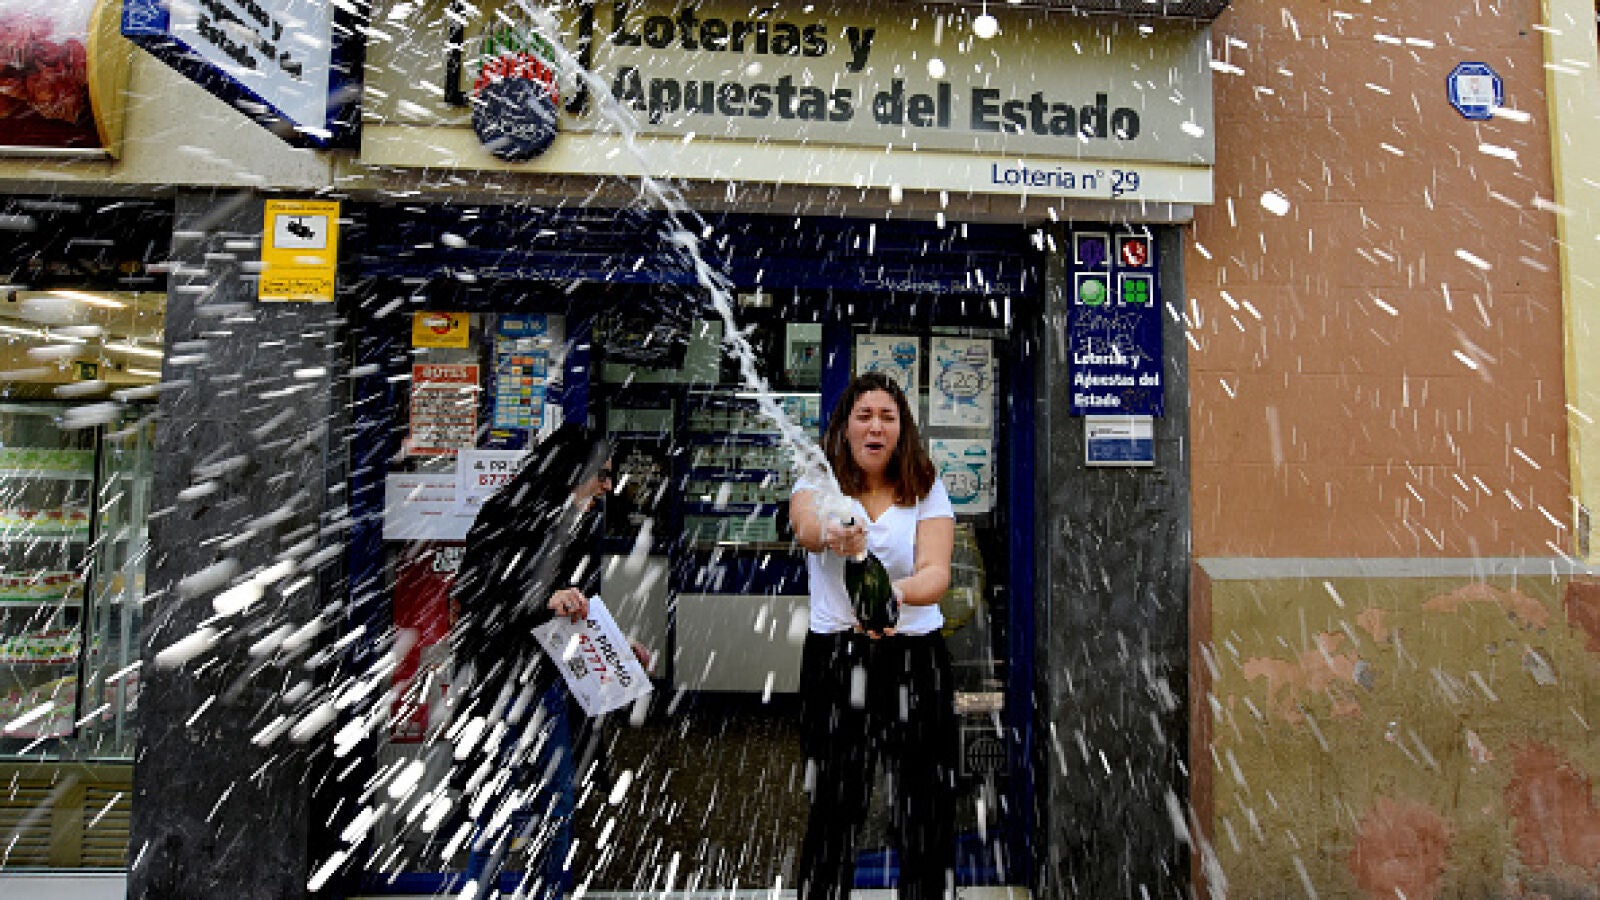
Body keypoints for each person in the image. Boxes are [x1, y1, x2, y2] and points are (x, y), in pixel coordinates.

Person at [788, 371, 959, 900]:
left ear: (902, 429)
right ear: (845, 427)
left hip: (915, 659)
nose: (876, 426)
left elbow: (937, 572)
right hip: (838, 661)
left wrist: (896, 595)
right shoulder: (819, 480)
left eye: (888, 416)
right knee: (835, 806)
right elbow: (805, 528)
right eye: (864, 416)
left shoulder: (925, 485)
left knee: (925, 805)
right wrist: (834, 533)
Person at [449, 422, 614, 900]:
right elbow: (476, 594)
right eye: (602, 474)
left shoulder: (579, 527)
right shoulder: (506, 514)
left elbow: (581, 608)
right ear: (573, 470)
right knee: (496, 804)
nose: (608, 486)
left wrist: (620, 646)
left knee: (558, 806)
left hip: (551, 683)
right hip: (504, 682)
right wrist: (543, 599)